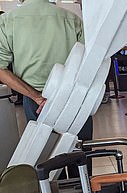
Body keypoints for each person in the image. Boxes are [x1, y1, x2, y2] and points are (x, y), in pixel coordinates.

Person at [0, 0, 91, 139]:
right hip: (73, 97)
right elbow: (87, 61)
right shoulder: (72, 19)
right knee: (79, 149)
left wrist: (37, 97)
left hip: (35, 100)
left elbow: (1, 69)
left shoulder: (7, 21)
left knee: (44, 151)